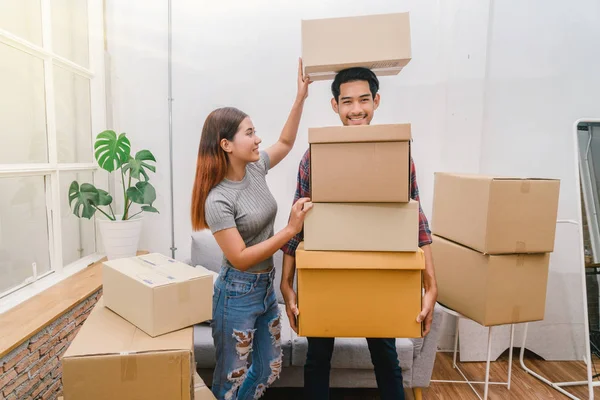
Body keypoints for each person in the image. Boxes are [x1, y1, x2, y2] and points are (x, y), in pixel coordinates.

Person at [280, 67, 438, 400]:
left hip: (379, 271)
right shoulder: (314, 157)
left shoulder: (396, 154)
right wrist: (287, 282)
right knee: (318, 358)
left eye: (364, 100)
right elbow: (298, 220)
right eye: (347, 101)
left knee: (386, 356)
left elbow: (416, 218)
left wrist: (430, 284)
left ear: (376, 101)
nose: (356, 109)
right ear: (334, 105)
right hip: (326, 272)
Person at [191, 59, 312, 400]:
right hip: (237, 292)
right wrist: (290, 229)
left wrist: (300, 97)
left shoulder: (256, 168)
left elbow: (286, 142)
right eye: (249, 133)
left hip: (264, 288)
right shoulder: (217, 200)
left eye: (255, 131)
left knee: (269, 366)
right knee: (231, 377)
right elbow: (240, 258)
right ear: (226, 144)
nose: (259, 139)